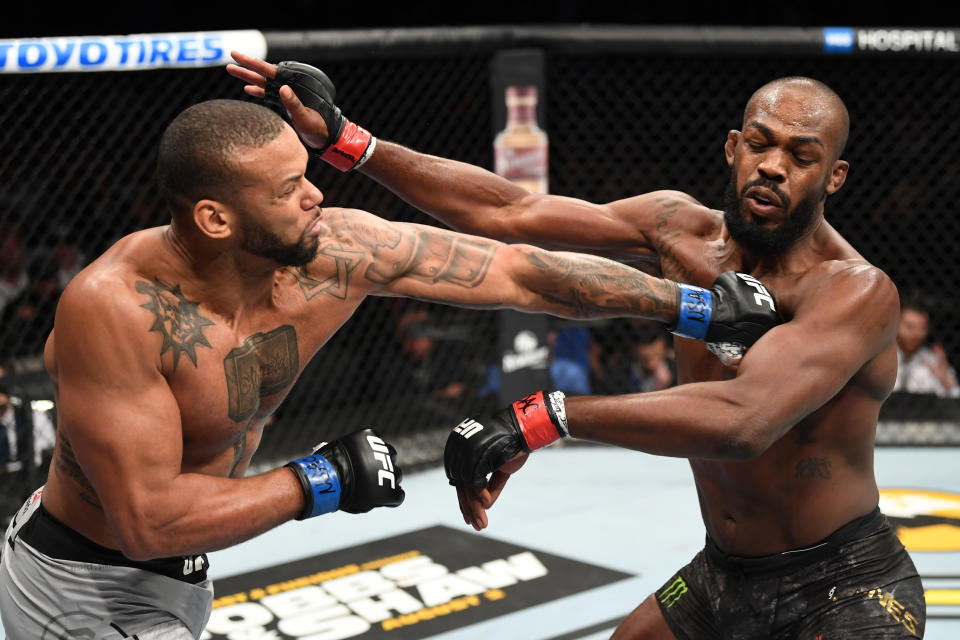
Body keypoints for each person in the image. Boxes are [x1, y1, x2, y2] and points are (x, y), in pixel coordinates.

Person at [0, 98, 776, 639]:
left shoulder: (335, 251)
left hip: (179, 577)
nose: (315, 195)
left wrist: (693, 307)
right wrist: (321, 479)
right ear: (215, 218)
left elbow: (520, 271)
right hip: (81, 582)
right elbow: (146, 523)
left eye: (306, 173)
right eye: (286, 189)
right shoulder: (116, 307)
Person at [227, 54, 925, 639]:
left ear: (833, 177)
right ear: (732, 148)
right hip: (725, 572)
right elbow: (509, 211)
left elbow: (744, 421)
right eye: (763, 144)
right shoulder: (678, 229)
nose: (774, 167)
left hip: (844, 586)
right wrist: (349, 141)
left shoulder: (854, 292)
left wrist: (547, 415)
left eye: (802, 157)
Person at [894, 297, 959, 398]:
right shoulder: (881, 357)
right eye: (909, 327)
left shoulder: (934, 362)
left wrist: (946, 380)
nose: (915, 334)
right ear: (896, 324)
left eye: (922, 328)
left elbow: (956, 400)